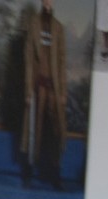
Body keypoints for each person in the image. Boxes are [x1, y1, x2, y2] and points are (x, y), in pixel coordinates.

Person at [21, 0, 69, 189]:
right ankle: (28, 173)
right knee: (34, 130)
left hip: (54, 90)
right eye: (45, 0)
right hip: (36, 87)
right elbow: (28, 59)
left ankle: (55, 174)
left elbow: (62, 62)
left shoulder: (58, 28)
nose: (48, 3)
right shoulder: (33, 23)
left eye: (51, 0)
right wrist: (27, 91)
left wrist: (63, 92)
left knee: (56, 131)